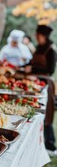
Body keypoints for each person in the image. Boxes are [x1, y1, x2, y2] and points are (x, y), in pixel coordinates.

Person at [25, 25, 57, 154]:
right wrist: (26, 66)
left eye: (38, 35)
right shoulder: (38, 48)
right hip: (34, 82)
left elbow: (50, 70)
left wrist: (32, 70)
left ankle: (50, 144)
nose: (36, 38)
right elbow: (32, 63)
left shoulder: (51, 50)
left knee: (47, 113)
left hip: (45, 84)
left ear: (44, 36)